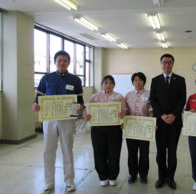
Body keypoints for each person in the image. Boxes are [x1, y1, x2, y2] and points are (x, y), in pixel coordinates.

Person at [32, 50, 85, 194]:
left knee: (67, 150)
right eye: (59, 60)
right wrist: (35, 106)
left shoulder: (75, 80)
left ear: (69, 63)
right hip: (49, 120)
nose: (62, 63)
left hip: (67, 120)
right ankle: (48, 183)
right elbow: (38, 99)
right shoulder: (46, 79)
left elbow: (80, 102)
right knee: (48, 151)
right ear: (55, 62)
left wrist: (81, 109)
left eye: (65, 60)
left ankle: (69, 182)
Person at [150, 54, 186, 190]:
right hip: (160, 123)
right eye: (164, 62)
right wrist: (162, 115)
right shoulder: (155, 80)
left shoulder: (180, 80)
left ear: (173, 64)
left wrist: (174, 115)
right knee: (160, 153)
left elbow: (182, 99)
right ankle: (161, 177)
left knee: (172, 152)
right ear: (161, 64)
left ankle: (171, 178)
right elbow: (153, 99)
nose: (166, 65)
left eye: (169, 62)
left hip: (175, 123)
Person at [84, 75, 127, 187]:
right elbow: (87, 113)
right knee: (99, 152)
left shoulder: (119, 97)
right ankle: (102, 176)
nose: (108, 85)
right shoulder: (94, 97)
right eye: (106, 82)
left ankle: (112, 176)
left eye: (111, 83)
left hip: (115, 129)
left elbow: (124, 110)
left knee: (114, 153)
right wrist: (86, 116)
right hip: (98, 129)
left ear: (114, 85)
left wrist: (123, 114)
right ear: (102, 84)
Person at [124, 72, 153, 184]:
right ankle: (132, 174)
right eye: (135, 80)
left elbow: (151, 110)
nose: (138, 82)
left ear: (144, 82)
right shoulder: (128, 95)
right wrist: (123, 122)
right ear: (132, 82)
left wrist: (151, 123)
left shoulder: (149, 94)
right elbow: (125, 110)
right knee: (132, 152)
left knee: (144, 153)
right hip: (131, 127)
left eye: (140, 80)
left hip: (144, 127)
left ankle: (143, 175)